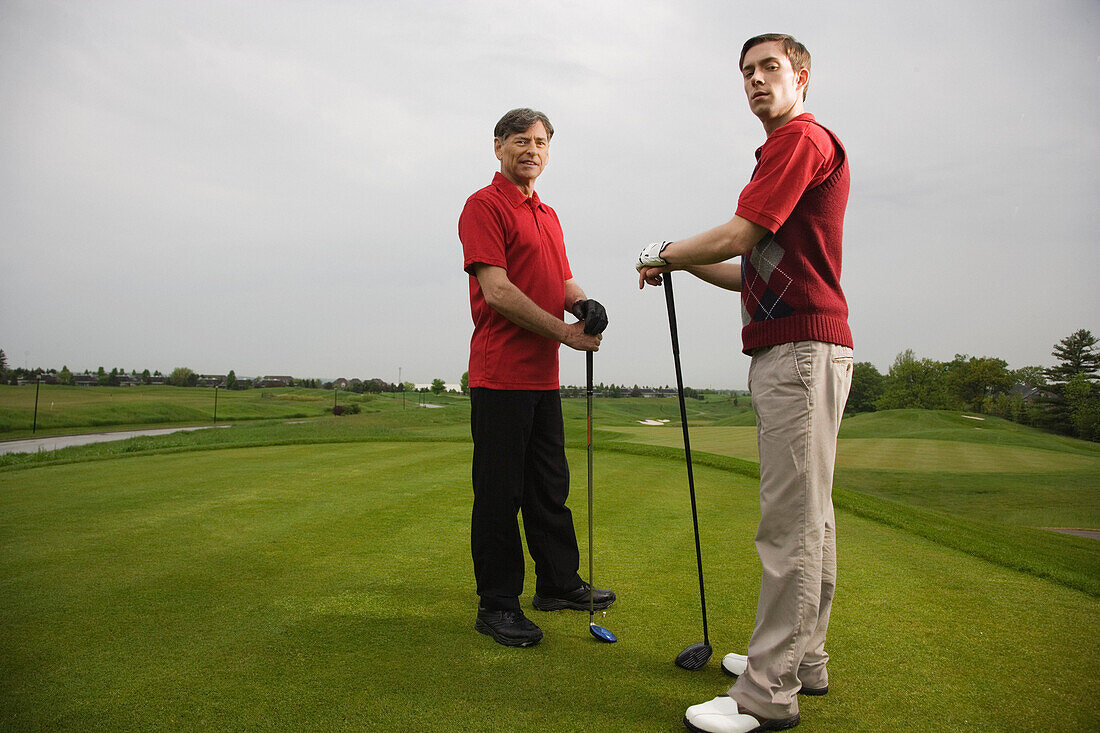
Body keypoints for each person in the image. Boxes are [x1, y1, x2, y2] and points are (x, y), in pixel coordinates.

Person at [636, 34, 854, 732]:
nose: (757, 81)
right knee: (810, 515)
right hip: (800, 345)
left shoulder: (798, 141)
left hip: (799, 350)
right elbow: (745, 265)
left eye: (770, 68)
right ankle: (801, 659)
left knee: (790, 521)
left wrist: (662, 250)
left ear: (802, 77)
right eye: (747, 72)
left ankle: (767, 692)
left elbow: (736, 236)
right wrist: (680, 263)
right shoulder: (789, 151)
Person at [460, 107, 615, 648]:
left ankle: (556, 583)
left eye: (541, 142)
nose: (532, 150)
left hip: (542, 380)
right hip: (500, 376)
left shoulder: (548, 214)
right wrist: (566, 334)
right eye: (521, 140)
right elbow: (498, 291)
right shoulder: (483, 206)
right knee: (499, 494)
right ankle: (497, 604)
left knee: (549, 487)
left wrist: (584, 304)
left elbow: (562, 278)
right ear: (498, 146)